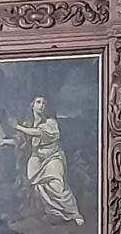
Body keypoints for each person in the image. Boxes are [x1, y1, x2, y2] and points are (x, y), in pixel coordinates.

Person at [14, 97, 84, 226]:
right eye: (38, 102)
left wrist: (17, 127)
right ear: (32, 105)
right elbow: (22, 142)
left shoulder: (51, 123)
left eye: (44, 103)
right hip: (37, 155)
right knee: (34, 179)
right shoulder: (28, 123)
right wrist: (5, 141)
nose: (41, 105)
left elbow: (37, 133)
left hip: (53, 155)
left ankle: (73, 213)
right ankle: (51, 211)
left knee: (56, 183)